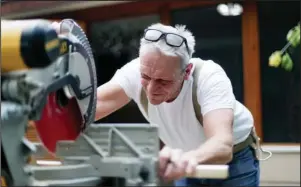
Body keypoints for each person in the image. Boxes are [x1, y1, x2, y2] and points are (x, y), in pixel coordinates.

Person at [53, 22, 261, 186]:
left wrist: (187, 160)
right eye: (146, 77)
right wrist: (53, 62)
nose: (151, 89)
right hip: (182, 159)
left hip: (234, 160)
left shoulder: (209, 77)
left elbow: (222, 144)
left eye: (163, 81)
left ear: (186, 72)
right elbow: (87, 110)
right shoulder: (134, 72)